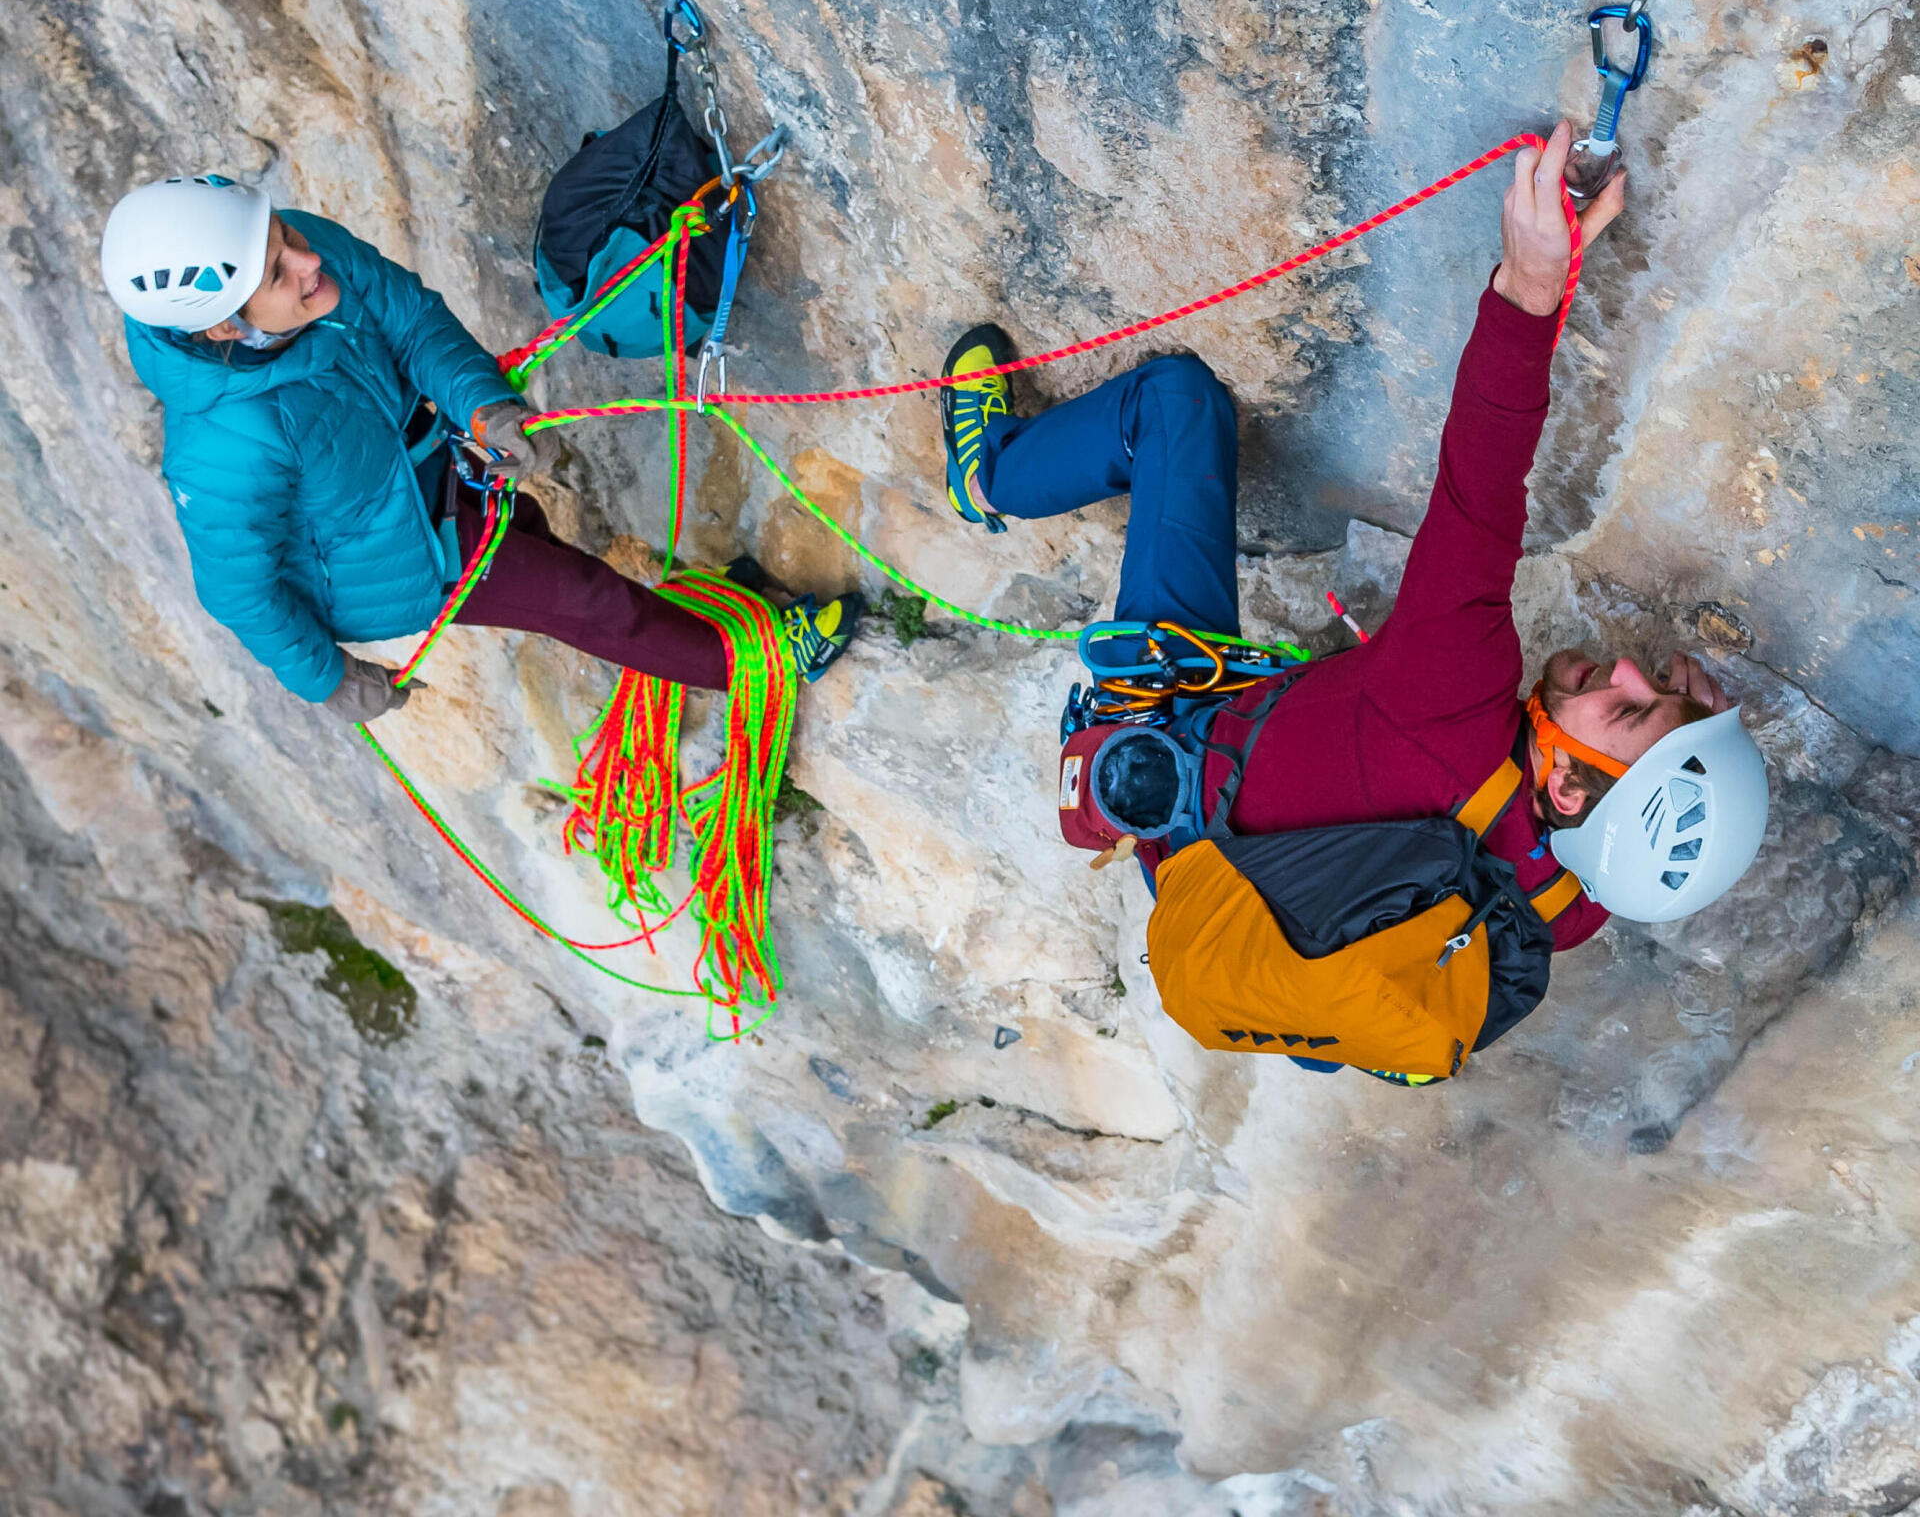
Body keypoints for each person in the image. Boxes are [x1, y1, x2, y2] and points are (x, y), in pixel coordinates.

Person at [939, 122, 1770, 987]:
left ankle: (987, 478)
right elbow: (1627, 843)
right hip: (1221, 874)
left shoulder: (1452, 699)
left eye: (1632, 712)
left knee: (1177, 406)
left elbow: (1480, 488)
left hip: (1170, 741)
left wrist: (1531, 284)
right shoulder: (1564, 908)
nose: (1635, 672)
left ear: (1563, 788)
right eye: (1665, 690)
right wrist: (1698, 745)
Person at [102, 174, 861, 721]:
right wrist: (328, 680)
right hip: (390, 557)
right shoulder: (222, 448)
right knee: (579, 598)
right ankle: (759, 668)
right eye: (277, 271)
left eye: (286, 237)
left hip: (432, 463)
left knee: (546, 551)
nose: (307, 260)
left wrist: (483, 405)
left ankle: (706, 628)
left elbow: (409, 320)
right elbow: (238, 588)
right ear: (225, 329)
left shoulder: (300, 255)